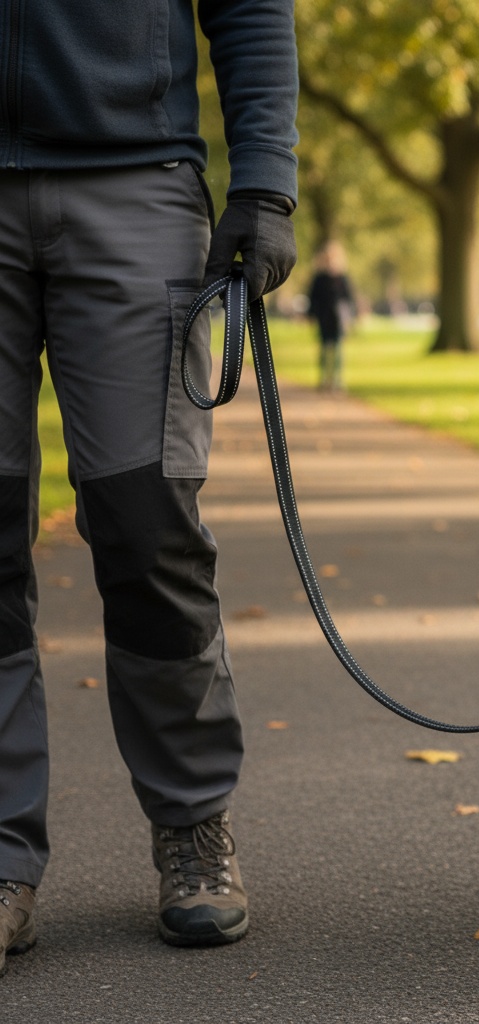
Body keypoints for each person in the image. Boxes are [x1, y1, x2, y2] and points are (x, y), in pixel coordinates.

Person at [0, 0, 299, 970]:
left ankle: (192, 823)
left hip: (136, 184)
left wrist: (265, 180)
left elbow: (250, 6)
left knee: (147, 519)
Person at [308, 242, 356, 391]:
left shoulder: (343, 278)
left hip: (339, 319)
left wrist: (350, 318)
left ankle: (336, 380)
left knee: (338, 350)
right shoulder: (319, 278)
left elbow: (349, 299)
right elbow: (313, 297)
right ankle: (323, 379)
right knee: (324, 349)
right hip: (324, 317)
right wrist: (311, 314)